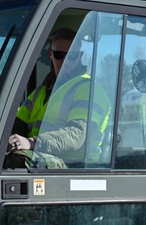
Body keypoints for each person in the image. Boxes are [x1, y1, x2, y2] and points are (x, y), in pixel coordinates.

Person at [5, 27, 110, 168]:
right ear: (50, 54)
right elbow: (16, 124)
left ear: (80, 56)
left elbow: (76, 135)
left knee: (18, 161)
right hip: (43, 155)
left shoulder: (88, 90)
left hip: (75, 165)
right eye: (60, 55)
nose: (66, 61)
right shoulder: (39, 92)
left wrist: (32, 142)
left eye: (71, 56)